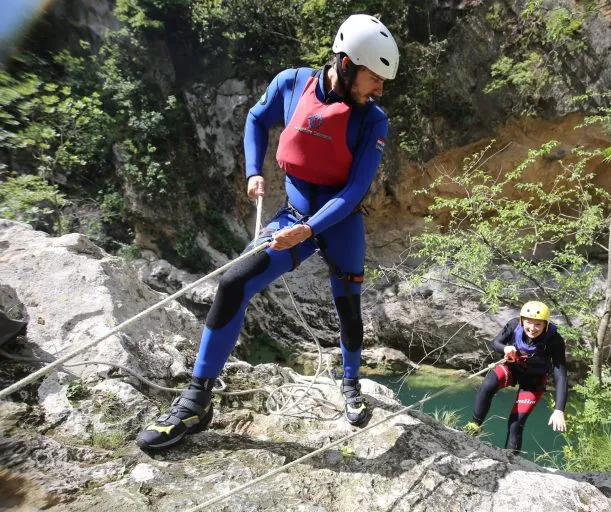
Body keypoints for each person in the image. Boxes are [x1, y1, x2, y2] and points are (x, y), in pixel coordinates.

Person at [137, 14, 399, 451]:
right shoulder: (292, 83)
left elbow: (354, 191)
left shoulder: (373, 120)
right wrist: (253, 171)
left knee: (349, 311)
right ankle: (196, 400)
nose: (380, 89)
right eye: (374, 78)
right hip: (293, 215)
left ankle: (351, 383)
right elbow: (257, 119)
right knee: (233, 282)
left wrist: (308, 230)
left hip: (339, 222)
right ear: (347, 63)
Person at [464, 301, 568, 454]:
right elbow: (496, 343)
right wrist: (505, 348)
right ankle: (474, 426)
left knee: (516, 423)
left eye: (538, 324)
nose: (532, 328)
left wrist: (559, 410)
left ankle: (510, 459)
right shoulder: (513, 325)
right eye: (528, 322)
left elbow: (560, 374)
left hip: (533, 381)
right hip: (511, 368)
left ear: (545, 325)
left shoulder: (554, 340)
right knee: (488, 385)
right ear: (521, 320)